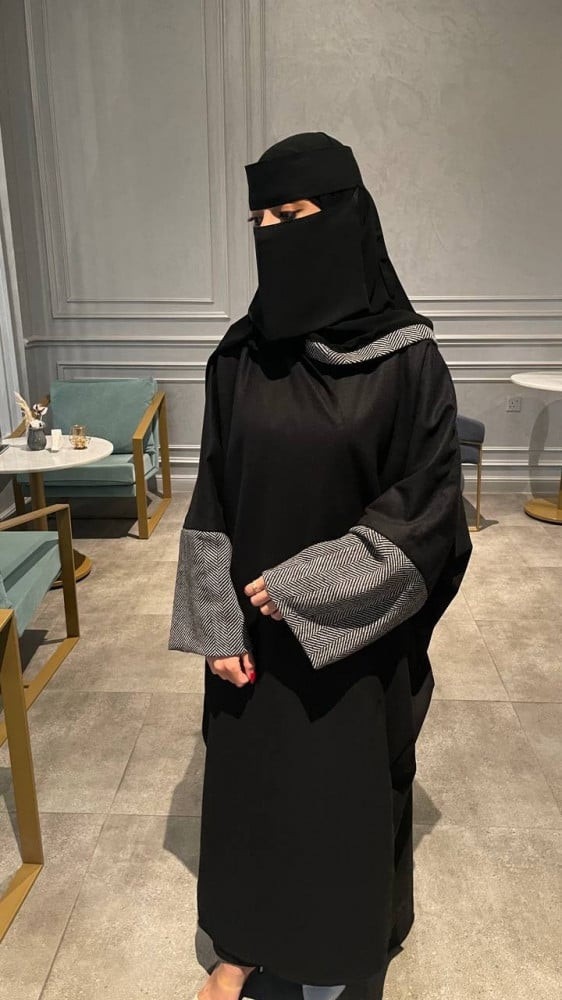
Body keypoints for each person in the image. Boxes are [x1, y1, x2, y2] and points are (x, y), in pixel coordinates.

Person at [168, 132, 472, 1000]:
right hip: (250, 643)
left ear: (342, 217)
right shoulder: (239, 355)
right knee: (249, 794)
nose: (272, 232)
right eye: (259, 219)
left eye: (291, 214)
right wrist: (217, 624)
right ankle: (241, 945)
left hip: (354, 645)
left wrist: (310, 586)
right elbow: (213, 493)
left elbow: (429, 510)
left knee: (336, 801)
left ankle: (333, 957)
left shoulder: (406, 360)